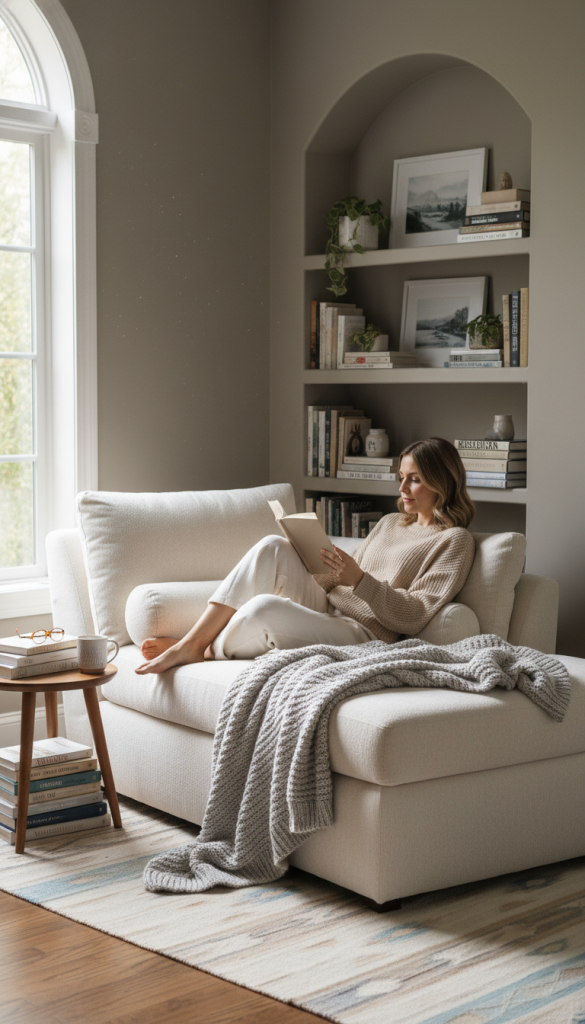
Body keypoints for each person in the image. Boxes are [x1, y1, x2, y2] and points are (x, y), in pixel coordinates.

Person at [135, 436, 476, 675]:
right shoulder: (389, 523)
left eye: (414, 480)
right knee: (272, 546)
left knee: (264, 609)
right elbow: (334, 581)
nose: (401, 489)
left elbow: (415, 615)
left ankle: (200, 648)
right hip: (330, 606)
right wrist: (307, 551)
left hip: (368, 634)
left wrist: (359, 580)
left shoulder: (454, 541)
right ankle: (194, 643)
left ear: (441, 481)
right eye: (401, 478)